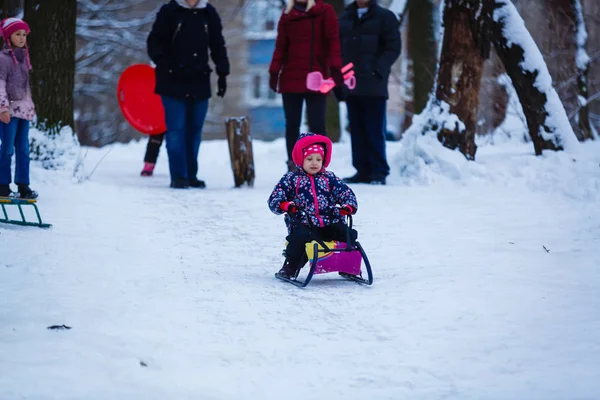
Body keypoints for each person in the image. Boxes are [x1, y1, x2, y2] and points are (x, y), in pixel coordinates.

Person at [147, 0, 229, 188]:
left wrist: (223, 73)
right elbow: (154, 41)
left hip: (199, 81)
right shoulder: (169, 11)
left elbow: (218, 45)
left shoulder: (208, 13)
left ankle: (191, 175)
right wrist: (164, 63)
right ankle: (178, 176)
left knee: (194, 131)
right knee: (176, 130)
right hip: (172, 80)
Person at [268, 132, 358, 279]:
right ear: (300, 159)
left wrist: (348, 206)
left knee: (348, 234)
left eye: (318, 159)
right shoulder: (292, 179)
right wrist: (286, 206)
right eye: (309, 159)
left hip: (330, 221)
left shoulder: (329, 178)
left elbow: (346, 193)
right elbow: (274, 198)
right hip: (304, 222)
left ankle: (348, 265)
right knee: (298, 239)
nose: (314, 163)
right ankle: (291, 266)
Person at [269, 0, 344, 172]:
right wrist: (274, 72)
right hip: (291, 77)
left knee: (317, 124)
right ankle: (293, 164)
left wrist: (335, 68)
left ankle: (319, 165)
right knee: (292, 124)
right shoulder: (287, 15)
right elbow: (280, 46)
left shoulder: (325, 11)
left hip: (316, 78)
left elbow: (333, 41)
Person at [337, 0, 401, 185]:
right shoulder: (345, 19)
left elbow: (393, 47)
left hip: (374, 84)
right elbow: (338, 50)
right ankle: (362, 171)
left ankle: (379, 171)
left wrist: (377, 70)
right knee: (356, 129)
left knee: (374, 129)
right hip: (351, 84)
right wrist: (339, 79)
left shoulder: (385, 17)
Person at [0, 17, 36, 199]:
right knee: (7, 148)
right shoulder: (3, 59)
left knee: (23, 149)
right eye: (17, 34)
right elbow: (0, 84)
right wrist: (2, 108)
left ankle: (23, 185)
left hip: (23, 112)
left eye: (24, 35)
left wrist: (30, 108)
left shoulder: (24, 58)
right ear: (8, 36)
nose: (22, 38)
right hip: (8, 112)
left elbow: (25, 88)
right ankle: (2, 185)